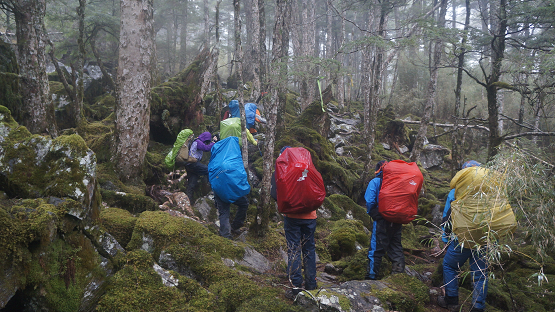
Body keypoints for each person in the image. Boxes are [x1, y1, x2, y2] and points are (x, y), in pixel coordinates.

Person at [438, 160, 488, 312]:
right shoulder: (491, 191)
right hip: (485, 239)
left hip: (462, 238)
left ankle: (451, 301)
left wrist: (445, 239)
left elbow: (447, 217)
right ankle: (478, 307)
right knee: (480, 273)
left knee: (449, 265)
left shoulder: (456, 191)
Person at [271, 146, 317, 297]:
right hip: (310, 216)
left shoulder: (281, 172)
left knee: (294, 249)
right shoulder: (307, 168)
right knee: (309, 250)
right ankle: (311, 284)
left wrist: (287, 204)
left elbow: (274, 194)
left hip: (292, 217)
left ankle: (296, 285)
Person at [364, 160, 405, 280]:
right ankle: (399, 275)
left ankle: (371, 276)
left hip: (382, 220)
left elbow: (370, 200)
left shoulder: (376, 182)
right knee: (396, 246)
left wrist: (374, 213)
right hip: (397, 219)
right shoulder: (398, 182)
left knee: (376, 248)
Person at [180, 131, 217, 202]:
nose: (206, 142)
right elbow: (206, 148)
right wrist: (213, 142)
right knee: (208, 170)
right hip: (193, 164)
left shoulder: (196, 141)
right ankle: (212, 189)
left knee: (192, 183)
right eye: (206, 140)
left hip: (188, 165)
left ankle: (188, 201)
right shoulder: (198, 142)